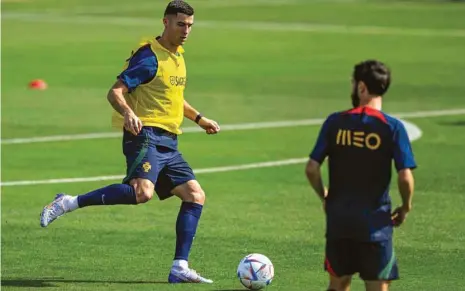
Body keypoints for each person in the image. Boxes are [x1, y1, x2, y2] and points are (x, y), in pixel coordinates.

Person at [40, 0, 219, 284]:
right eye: (180, 24)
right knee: (142, 193)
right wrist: (129, 113)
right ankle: (68, 202)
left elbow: (172, 97)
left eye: (190, 26)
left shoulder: (177, 56)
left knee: (195, 196)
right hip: (145, 135)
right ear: (166, 22)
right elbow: (115, 92)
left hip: (169, 142)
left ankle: (179, 267)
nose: (186, 31)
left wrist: (200, 119)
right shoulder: (149, 57)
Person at [305, 60, 416, 291]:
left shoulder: (335, 122)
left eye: (353, 83)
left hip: (339, 223)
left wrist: (324, 196)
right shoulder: (392, 127)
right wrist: (405, 206)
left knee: (338, 285)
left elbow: (312, 168)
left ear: (362, 87)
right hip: (375, 227)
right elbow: (405, 177)